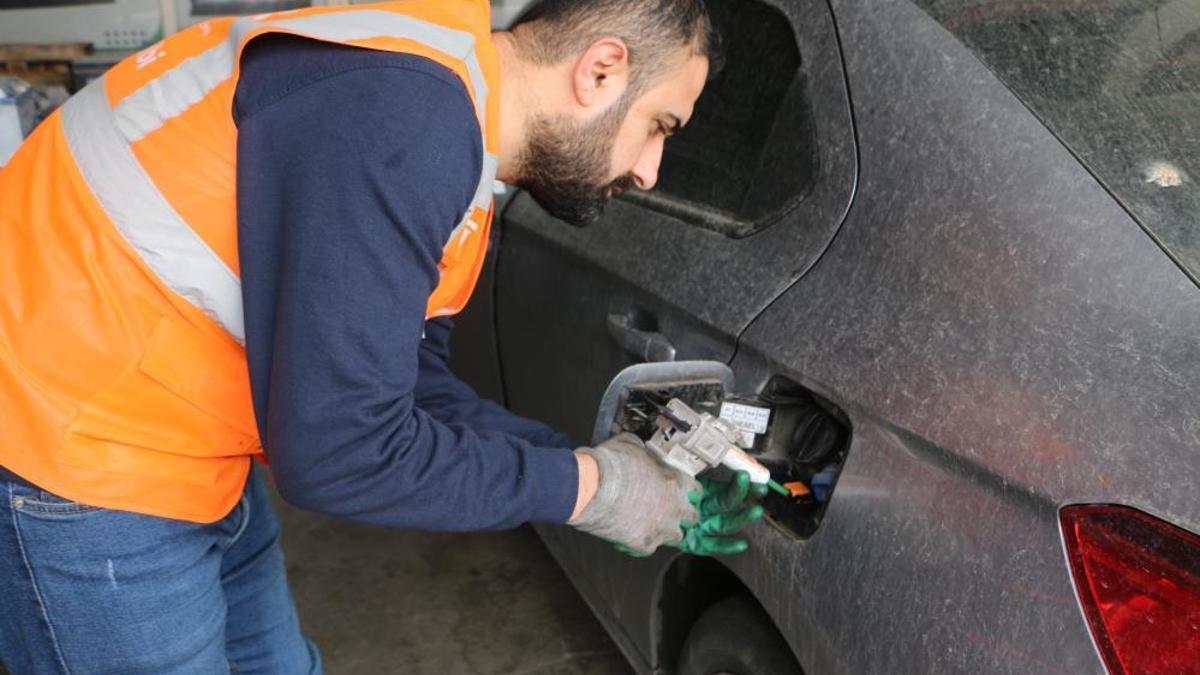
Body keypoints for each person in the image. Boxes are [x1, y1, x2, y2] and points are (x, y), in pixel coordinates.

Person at [0, 0, 761, 672]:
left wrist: (593, 467)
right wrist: (590, 492)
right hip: (71, 449)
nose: (651, 170)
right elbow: (341, 451)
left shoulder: (455, 111)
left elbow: (412, 385)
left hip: (187, 427)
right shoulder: (407, 117)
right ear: (600, 70)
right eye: (659, 126)